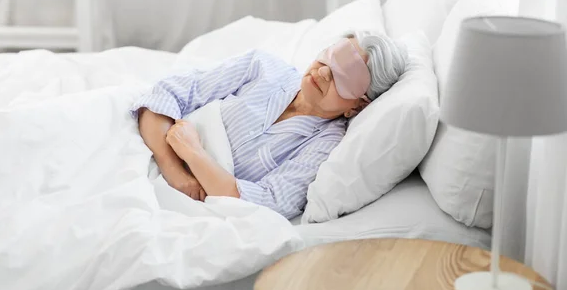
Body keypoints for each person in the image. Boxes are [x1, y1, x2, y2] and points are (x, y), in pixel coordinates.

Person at [130, 31, 407, 219]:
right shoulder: (261, 67)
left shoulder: (326, 148)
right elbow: (164, 95)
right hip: (142, 151)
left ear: (358, 105)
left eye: (342, 77)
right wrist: (174, 169)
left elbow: (266, 203)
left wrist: (194, 153)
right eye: (329, 58)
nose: (322, 72)